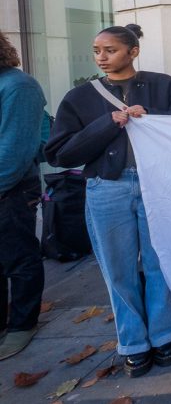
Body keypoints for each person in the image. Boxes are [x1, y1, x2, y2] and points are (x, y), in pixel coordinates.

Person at [45, 24, 171, 377]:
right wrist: (106, 124)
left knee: (162, 262)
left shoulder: (163, 85)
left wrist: (155, 118)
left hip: (157, 187)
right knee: (118, 267)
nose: (101, 57)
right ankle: (133, 342)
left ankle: (165, 335)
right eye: (97, 50)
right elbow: (60, 154)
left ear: (133, 52)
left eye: (110, 50)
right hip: (106, 188)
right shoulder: (79, 97)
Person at [0, 31, 46, 360]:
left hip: (12, 187)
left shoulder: (18, 86)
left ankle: (22, 324)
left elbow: (13, 153)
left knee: (19, 257)